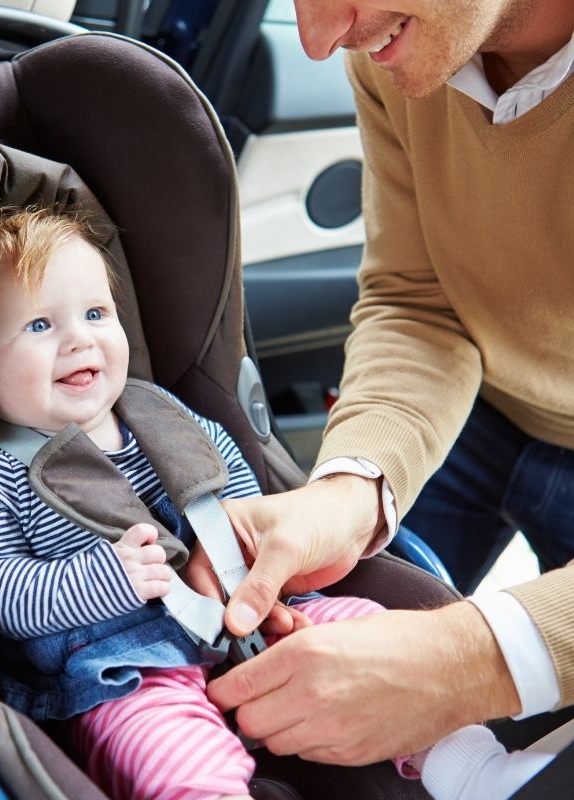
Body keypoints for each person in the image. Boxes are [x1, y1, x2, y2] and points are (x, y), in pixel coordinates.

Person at [207, 0, 574, 794]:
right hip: (472, 417)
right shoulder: (405, 49)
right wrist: (348, 490)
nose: (316, 38)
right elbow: (419, 301)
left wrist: (471, 661)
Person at [0, 205, 405, 800]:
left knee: (374, 639)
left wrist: (254, 556)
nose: (79, 338)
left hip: (247, 615)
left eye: (95, 313)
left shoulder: (158, 411)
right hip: (125, 668)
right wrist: (103, 579)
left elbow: (231, 486)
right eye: (39, 326)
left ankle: (464, 763)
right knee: (172, 755)